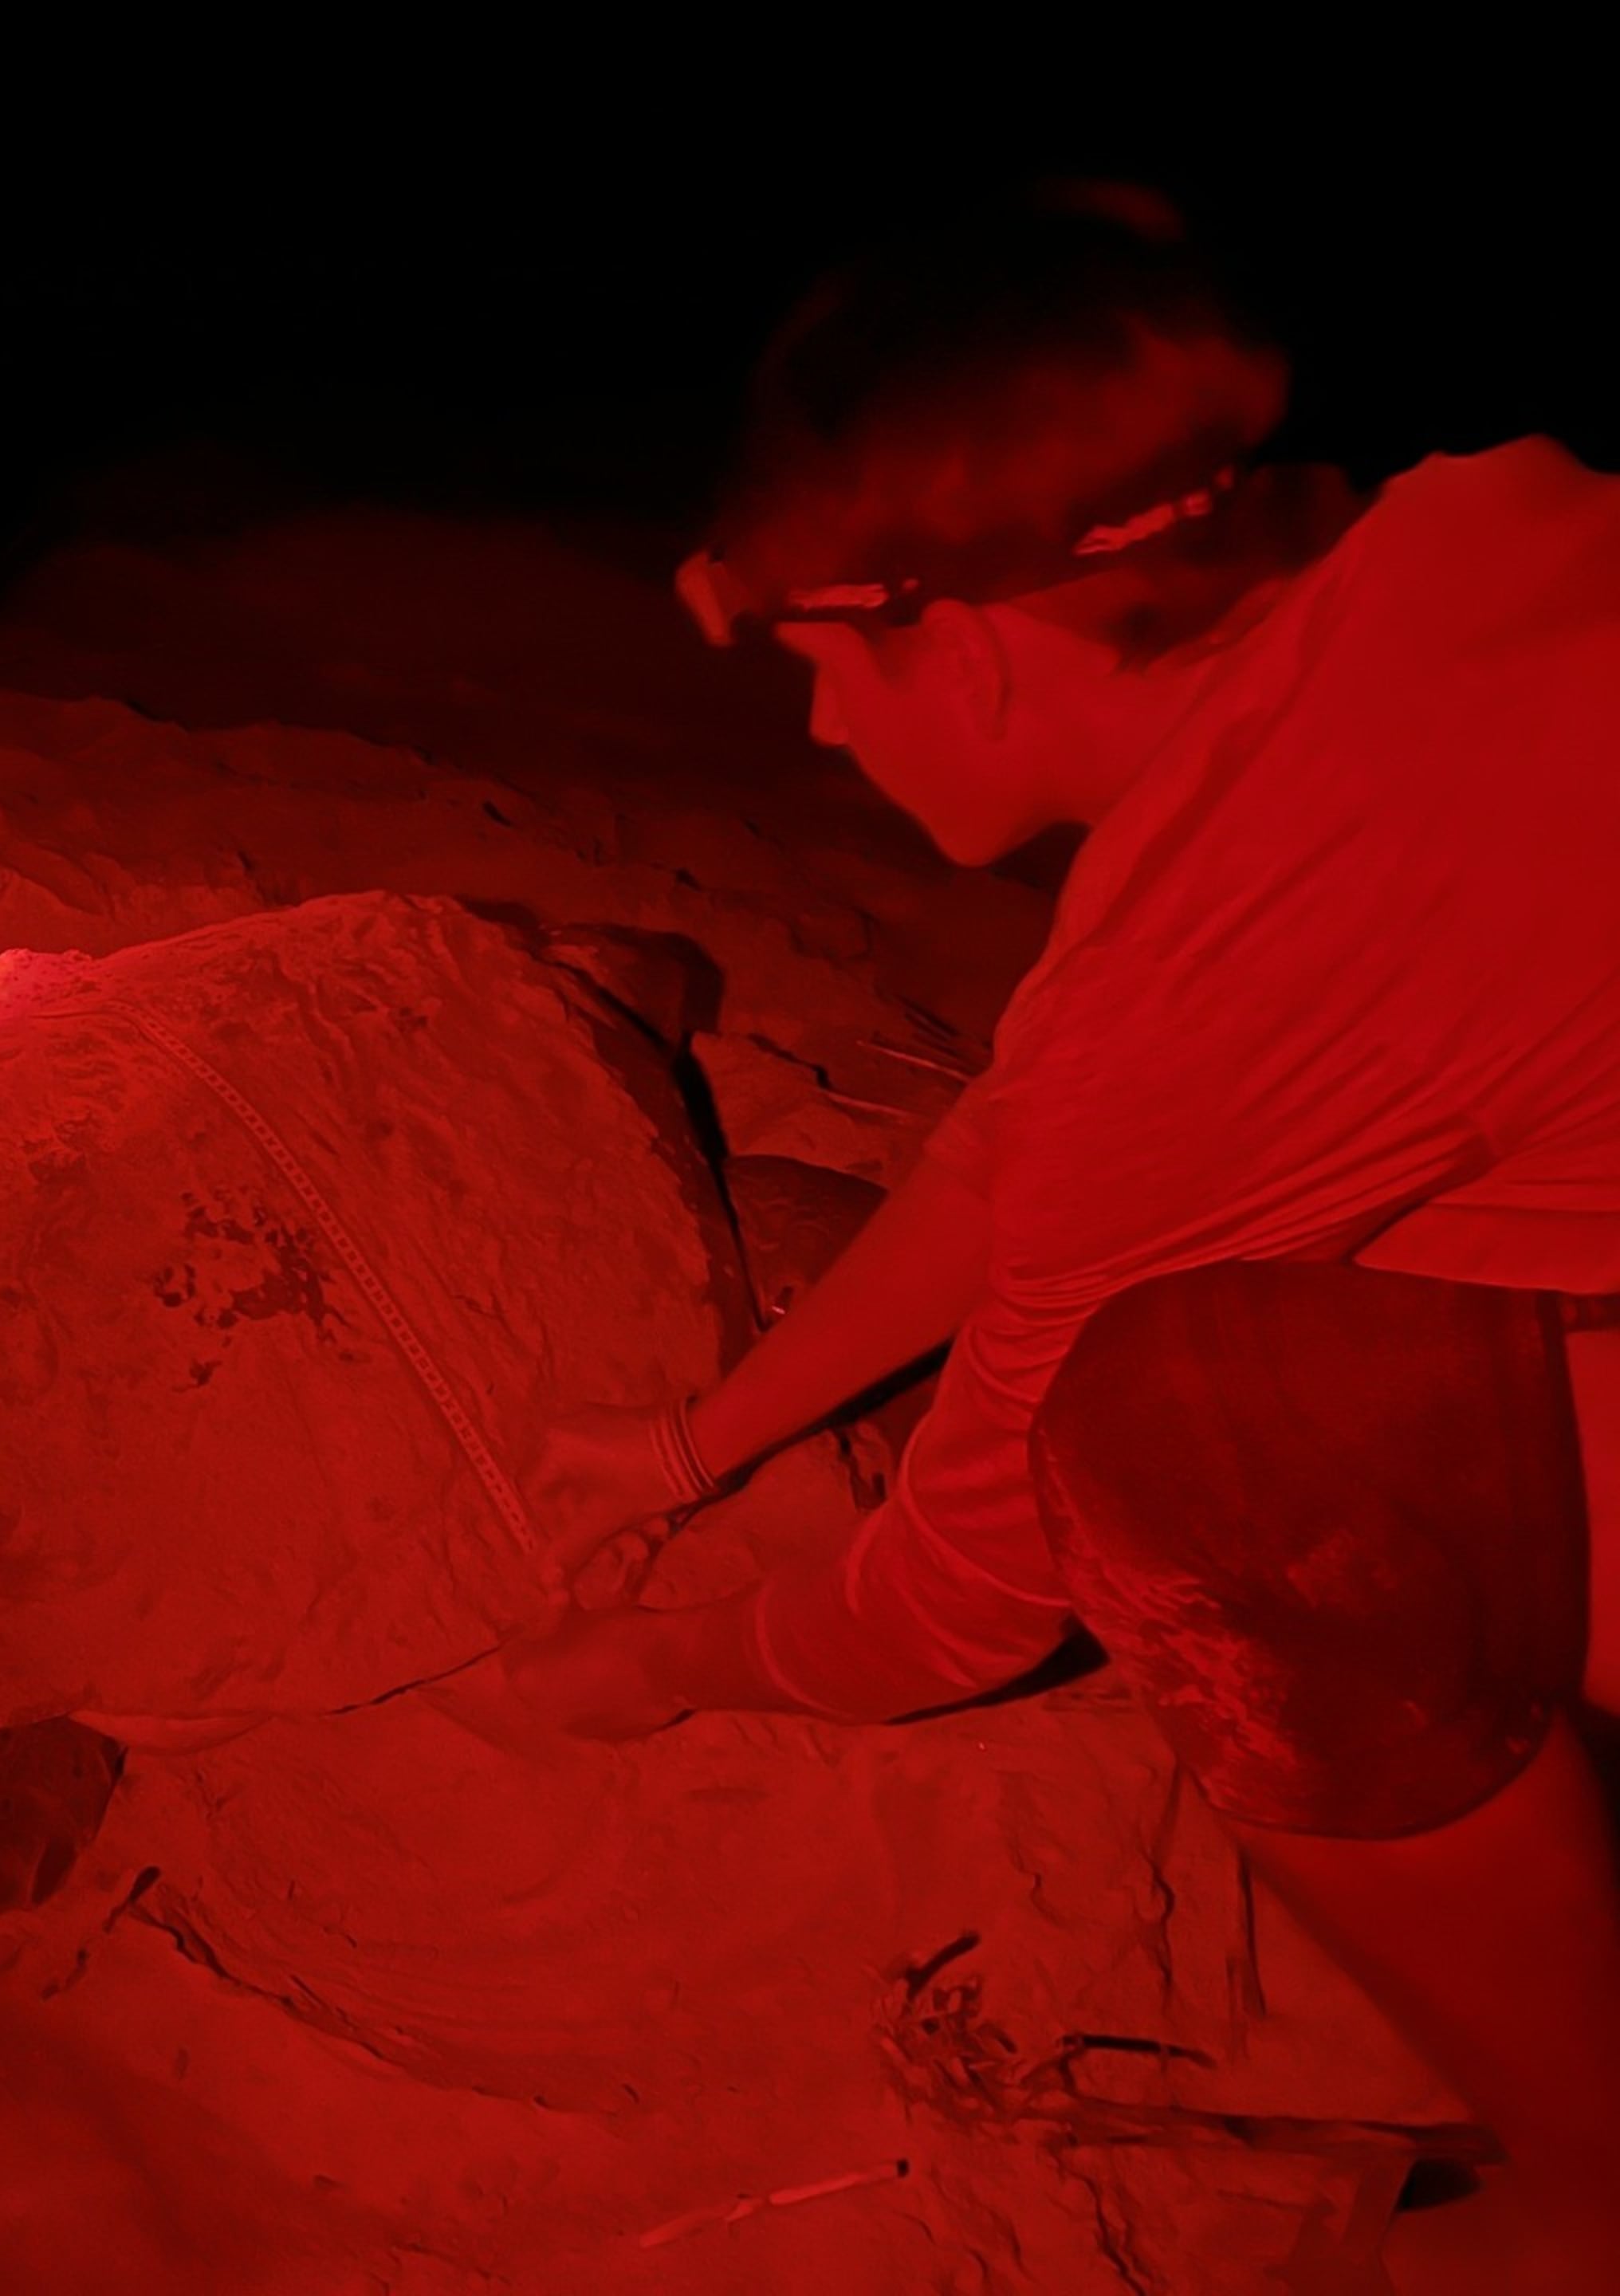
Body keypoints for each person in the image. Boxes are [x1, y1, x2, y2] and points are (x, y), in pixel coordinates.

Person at [493, 187, 1620, 2290]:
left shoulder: (1248, 958)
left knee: (1196, 1457)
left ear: (982, 645)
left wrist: (669, 1662)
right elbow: (1022, 1161)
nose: (821, 732)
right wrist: (693, 1447)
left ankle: (1606, 2198)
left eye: (829, 670)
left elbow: (960, 1603)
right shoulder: (1449, 554)